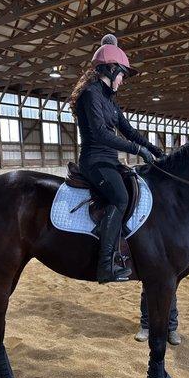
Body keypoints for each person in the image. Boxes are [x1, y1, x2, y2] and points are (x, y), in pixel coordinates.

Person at [70, 34, 164, 284]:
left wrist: (153, 149)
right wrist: (135, 149)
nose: (123, 81)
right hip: (94, 161)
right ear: (111, 69)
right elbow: (100, 133)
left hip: (110, 161)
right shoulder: (90, 95)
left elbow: (129, 130)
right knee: (120, 197)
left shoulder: (111, 101)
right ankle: (105, 264)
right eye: (122, 74)